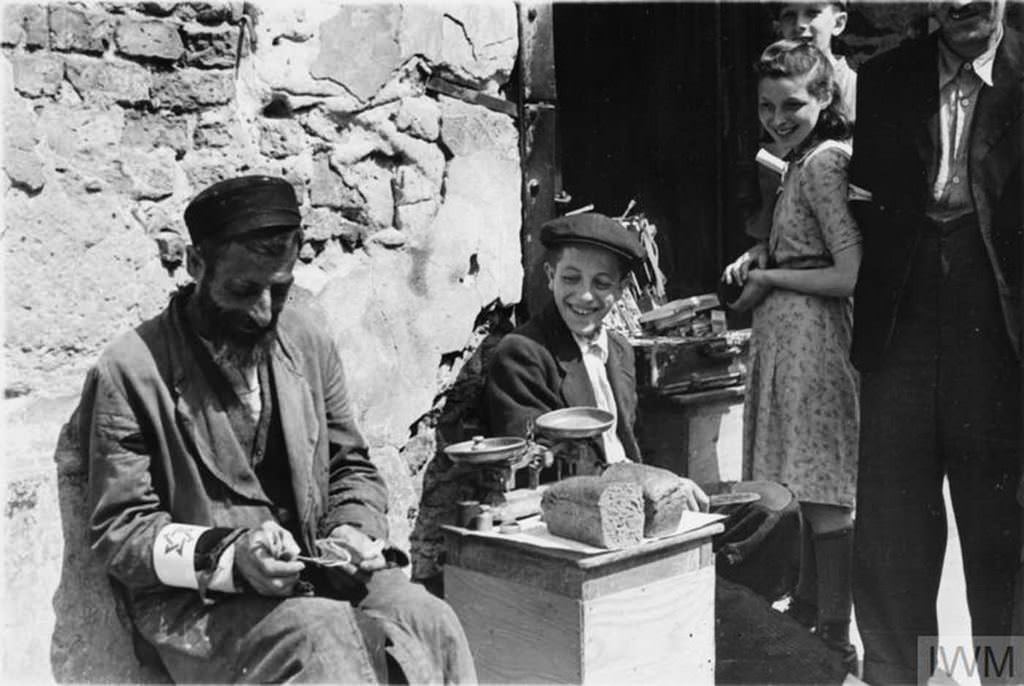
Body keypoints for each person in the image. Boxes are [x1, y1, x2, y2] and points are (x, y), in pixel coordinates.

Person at [79, 175, 477, 683]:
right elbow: (120, 531)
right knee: (319, 636)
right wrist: (232, 556)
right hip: (202, 607)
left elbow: (348, 464)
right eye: (244, 289)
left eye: (281, 288)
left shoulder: (305, 338)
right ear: (195, 265)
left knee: (430, 618)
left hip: (317, 574)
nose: (265, 311)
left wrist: (350, 529)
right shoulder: (131, 369)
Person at [849, 1, 1022, 681]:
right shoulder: (887, 78)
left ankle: (1001, 678)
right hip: (903, 329)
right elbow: (868, 202)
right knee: (895, 532)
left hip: (1000, 336)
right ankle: (905, 678)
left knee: (1001, 534)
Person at [721, 39, 862, 673]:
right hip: (787, 343)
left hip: (816, 345)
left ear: (825, 98)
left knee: (825, 492)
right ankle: (807, 607)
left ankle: (835, 629)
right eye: (766, 106)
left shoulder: (826, 162)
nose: (778, 118)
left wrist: (773, 279)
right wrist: (759, 259)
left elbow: (847, 272)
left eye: (794, 104)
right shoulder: (797, 162)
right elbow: (800, 248)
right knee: (801, 486)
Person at [483, 212, 708, 510]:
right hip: (580, 510)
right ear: (551, 277)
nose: (585, 296)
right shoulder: (523, 354)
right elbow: (544, 467)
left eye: (601, 283)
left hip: (638, 498)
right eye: (571, 279)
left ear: (622, 288)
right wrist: (648, 481)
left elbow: (633, 442)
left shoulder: (619, 349)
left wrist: (665, 485)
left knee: (767, 505)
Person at [746, 1, 857, 242]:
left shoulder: (858, 88)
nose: (799, 25)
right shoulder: (772, 88)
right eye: (789, 16)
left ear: (838, 23)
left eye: (812, 13)